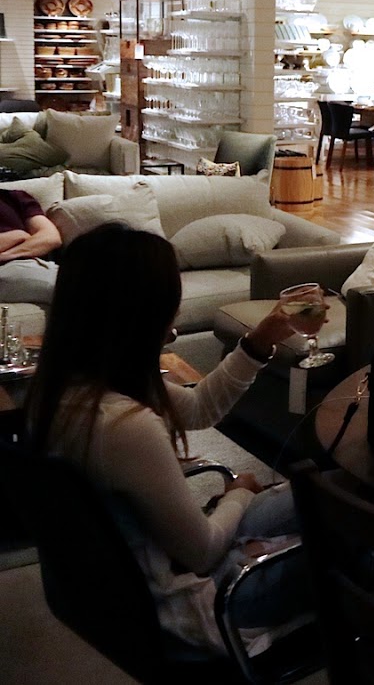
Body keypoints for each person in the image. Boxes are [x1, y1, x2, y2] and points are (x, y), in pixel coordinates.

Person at [25, 224, 311, 655]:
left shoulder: (64, 388)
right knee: (360, 533)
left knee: (326, 495)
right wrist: (236, 493)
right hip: (195, 601)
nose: (173, 321)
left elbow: (199, 409)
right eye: (168, 307)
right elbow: (204, 551)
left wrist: (257, 344)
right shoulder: (124, 427)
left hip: (151, 566)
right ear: (140, 317)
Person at [0, 187, 62, 304]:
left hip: (33, 264)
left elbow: (51, 238)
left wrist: (5, 254)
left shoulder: (15, 197)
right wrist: (18, 235)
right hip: (7, 269)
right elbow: (20, 235)